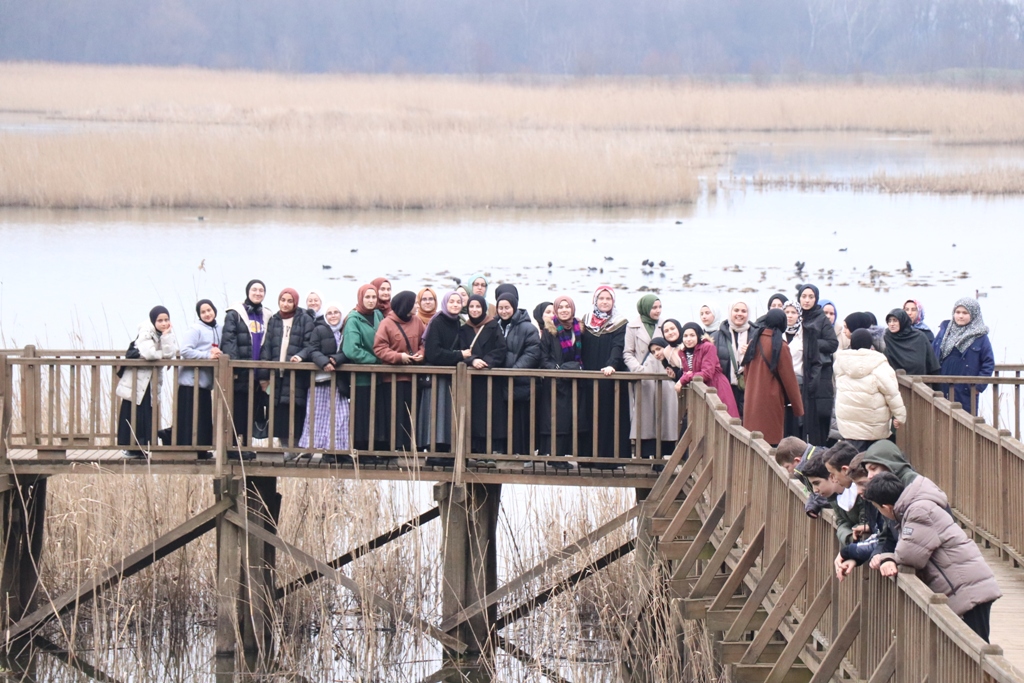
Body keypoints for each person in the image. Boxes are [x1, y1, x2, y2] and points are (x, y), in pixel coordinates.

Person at [864, 472, 1001, 642]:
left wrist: (887, 557)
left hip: (968, 588)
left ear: (886, 507)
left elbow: (909, 555)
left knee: (976, 647)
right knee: (970, 647)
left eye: (878, 509)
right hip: (965, 584)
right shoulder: (914, 508)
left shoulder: (918, 511)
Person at [116, 306, 178, 458]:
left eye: (166, 320)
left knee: (146, 414)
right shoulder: (145, 331)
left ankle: (142, 446)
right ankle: (128, 447)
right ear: (153, 321)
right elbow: (149, 353)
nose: (164, 323)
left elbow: (170, 353)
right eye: (160, 320)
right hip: (136, 380)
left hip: (149, 381)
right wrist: (162, 355)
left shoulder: (164, 333)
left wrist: (166, 335)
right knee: (132, 411)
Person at [220, 279, 272, 460]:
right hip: (240, 372)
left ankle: (247, 445)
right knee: (237, 408)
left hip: (258, 373)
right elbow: (228, 341)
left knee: (252, 409)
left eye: (261, 290)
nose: (257, 293)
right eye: (254, 290)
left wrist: (264, 373)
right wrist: (234, 367)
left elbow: (268, 344)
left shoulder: (267, 316)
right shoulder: (235, 314)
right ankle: (232, 445)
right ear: (248, 291)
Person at [580, 286, 631, 463]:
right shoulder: (585, 320)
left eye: (608, 299)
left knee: (608, 415)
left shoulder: (620, 322)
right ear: (595, 300)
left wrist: (612, 365)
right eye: (601, 298)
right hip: (587, 376)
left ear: (613, 301)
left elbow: (618, 347)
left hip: (609, 377)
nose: (604, 302)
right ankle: (586, 457)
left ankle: (609, 458)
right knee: (587, 414)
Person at [259, 287, 315, 449]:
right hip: (276, 373)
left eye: (290, 301)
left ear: (295, 303)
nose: (285, 304)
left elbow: (309, 344)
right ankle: (282, 447)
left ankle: (296, 447)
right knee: (279, 412)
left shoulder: (304, 319)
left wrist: (301, 356)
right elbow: (267, 347)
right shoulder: (274, 320)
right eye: (283, 300)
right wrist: (263, 375)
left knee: (295, 409)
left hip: (295, 374)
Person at [833, 330, 906, 451]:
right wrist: (900, 416)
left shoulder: (840, 364)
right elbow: (892, 394)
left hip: (849, 427)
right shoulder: (879, 365)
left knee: (854, 462)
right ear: (870, 344)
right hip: (874, 428)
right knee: (873, 463)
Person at [624, 294, 677, 458]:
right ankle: (645, 454)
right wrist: (639, 369)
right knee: (644, 418)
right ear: (645, 308)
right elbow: (628, 353)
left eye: (659, 307)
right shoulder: (632, 327)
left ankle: (661, 457)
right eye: (654, 307)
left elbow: (675, 344)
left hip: (664, 377)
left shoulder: (666, 325)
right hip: (644, 379)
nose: (657, 311)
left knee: (665, 415)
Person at [740, 309, 803, 446]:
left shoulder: (754, 342)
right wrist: (798, 408)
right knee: (770, 443)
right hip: (772, 402)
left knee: (753, 442)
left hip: (752, 400)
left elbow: (746, 372)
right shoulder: (780, 346)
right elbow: (789, 380)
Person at [373, 291, 425, 453]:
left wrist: (421, 354)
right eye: (414, 303)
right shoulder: (387, 323)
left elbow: (425, 342)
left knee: (412, 413)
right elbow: (379, 348)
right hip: (393, 378)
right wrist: (398, 357)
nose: (417, 306)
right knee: (395, 413)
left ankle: (411, 447)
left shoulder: (417, 321)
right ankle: (394, 447)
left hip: (413, 378)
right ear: (406, 305)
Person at [421, 291, 471, 461]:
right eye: (452, 301)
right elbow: (433, 353)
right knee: (436, 411)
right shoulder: (437, 321)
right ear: (445, 303)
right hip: (438, 376)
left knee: (450, 412)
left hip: (454, 377)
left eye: (458, 301)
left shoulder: (460, 323)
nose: (455, 305)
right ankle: (434, 451)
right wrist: (459, 355)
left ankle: (450, 451)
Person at [298, 303, 351, 463]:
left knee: (341, 417)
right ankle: (317, 449)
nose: (333, 316)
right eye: (329, 313)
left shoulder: (345, 331)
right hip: (321, 381)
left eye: (336, 312)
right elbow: (312, 350)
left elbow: (348, 351)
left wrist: (336, 359)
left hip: (339, 382)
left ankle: (338, 450)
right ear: (325, 317)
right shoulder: (319, 330)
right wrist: (324, 362)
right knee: (318, 415)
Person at [458, 294, 506, 462]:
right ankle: (474, 451)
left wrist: (486, 361)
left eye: (478, 307)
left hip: (489, 377)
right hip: (472, 379)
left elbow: (501, 349)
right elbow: (461, 350)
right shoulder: (464, 328)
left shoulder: (493, 326)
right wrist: (473, 360)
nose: (475, 310)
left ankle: (491, 451)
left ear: (484, 308)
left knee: (491, 413)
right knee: (474, 413)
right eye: (472, 307)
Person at [537, 295, 583, 468]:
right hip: (555, 382)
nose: (564, 310)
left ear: (572, 309)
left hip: (574, 381)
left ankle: (563, 456)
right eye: (560, 307)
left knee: (570, 419)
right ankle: (554, 457)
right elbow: (543, 356)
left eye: (567, 307)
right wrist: (556, 370)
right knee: (556, 420)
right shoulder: (550, 330)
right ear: (556, 310)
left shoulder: (578, 329)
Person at [496, 290, 541, 455]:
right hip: (499, 381)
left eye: (507, 307)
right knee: (501, 417)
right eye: (500, 308)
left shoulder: (528, 328)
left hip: (520, 381)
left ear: (514, 307)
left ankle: (522, 454)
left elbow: (533, 352)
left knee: (520, 420)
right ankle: (501, 451)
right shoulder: (494, 325)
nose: (504, 311)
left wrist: (513, 371)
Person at [342, 284, 385, 455]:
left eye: (373, 297)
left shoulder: (378, 315)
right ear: (360, 298)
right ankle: (362, 452)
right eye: (367, 297)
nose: (371, 301)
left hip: (379, 378)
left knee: (377, 415)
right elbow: (352, 349)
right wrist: (376, 360)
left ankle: (376, 450)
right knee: (362, 416)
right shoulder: (353, 319)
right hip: (361, 378)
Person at [933, 297, 995, 414]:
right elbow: (932, 354)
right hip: (942, 386)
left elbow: (988, 363)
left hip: (965, 390)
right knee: (941, 421)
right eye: (958, 312)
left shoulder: (980, 336)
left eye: (965, 313)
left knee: (964, 424)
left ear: (973, 315)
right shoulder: (945, 332)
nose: (960, 316)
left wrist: (978, 387)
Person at [177, 299, 220, 459]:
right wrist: (207, 356)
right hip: (190, 381)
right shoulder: (195, 330)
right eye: (203, 312)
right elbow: (185, 350)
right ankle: (186, 450)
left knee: (202, 417)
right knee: (189, 417)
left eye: (209, 310)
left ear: (214, 310)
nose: (207, 314)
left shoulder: (219, 329)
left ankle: (201, 449)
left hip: (205, 383)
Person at [796, 284, 838, 446]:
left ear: (816, 299)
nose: (807, 300)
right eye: (804, 296)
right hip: (800, 374)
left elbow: (832, 343)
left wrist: (810, 343)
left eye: (811, 297)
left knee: (817, 422)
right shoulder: (795, 316)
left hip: (819, 376)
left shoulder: (821, 318)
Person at [673, 322, 739, 418]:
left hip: (716, 385)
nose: (688, 339)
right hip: (700, 389)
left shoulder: (708, 347)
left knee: (723, 419)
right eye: (685, 336)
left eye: (692, 335)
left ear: (698, 335)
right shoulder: (682, 352)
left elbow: (707, 373)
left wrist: (683, 379)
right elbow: (687, 372)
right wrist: (685, 376)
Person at [713, 300, 752, 418]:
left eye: (743, 311)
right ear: (730, 312)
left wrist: (752, 352)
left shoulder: (756, 334)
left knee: (747, 421)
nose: (739, 314)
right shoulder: (717, 336)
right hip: (727, 387)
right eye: (736, 310)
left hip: (749, 388)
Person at [883, 308, 940, 376]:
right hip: (892, 382)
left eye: (895, 320)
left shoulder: (919, 337)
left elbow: (932, 364)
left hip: (920, 382)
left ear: (902, 321)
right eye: (889, 321)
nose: (891, 324)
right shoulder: (886, 337)